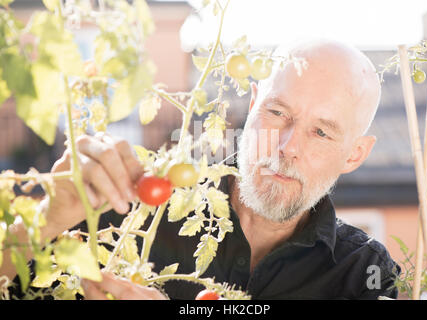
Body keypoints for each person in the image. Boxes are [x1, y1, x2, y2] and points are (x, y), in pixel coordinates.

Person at [0, 39, 400, 300]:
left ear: (355, 155)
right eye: (278, 113)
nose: (287, 147)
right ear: (254, 104)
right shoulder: (133, 210)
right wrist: (44, 221)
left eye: (321, 133)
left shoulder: (363, 275)